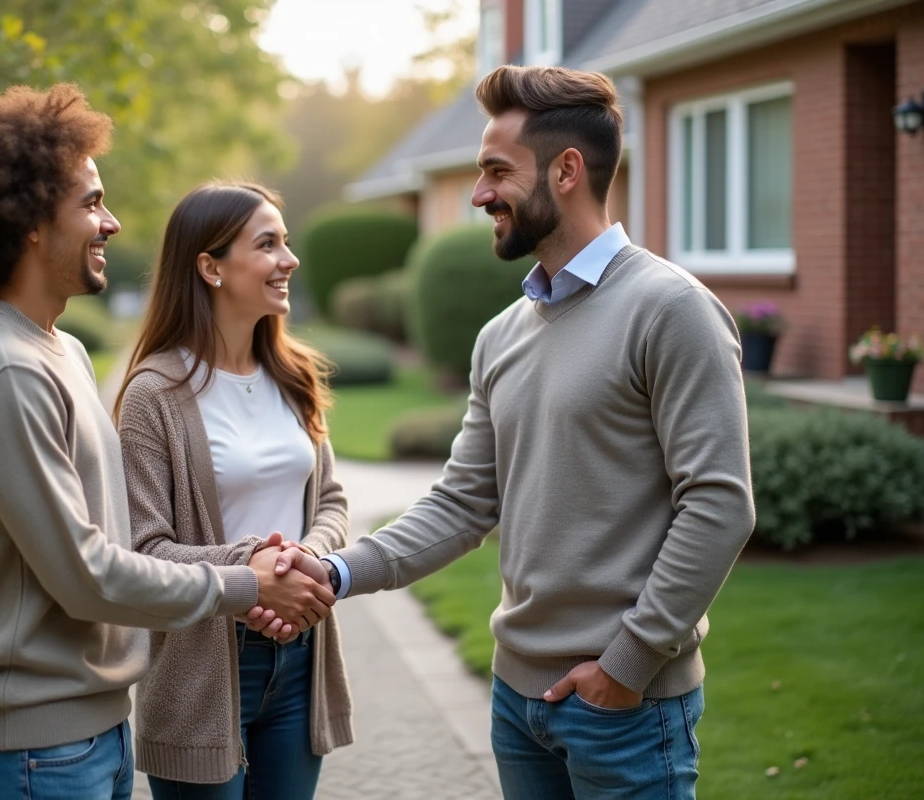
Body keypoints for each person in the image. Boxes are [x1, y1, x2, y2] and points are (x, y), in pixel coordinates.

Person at [280, 65, 755, 798]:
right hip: (517, 703)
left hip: (625, 709)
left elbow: (721, 505)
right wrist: (336, 573)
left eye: (496, 172)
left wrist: (626, 667)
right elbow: (463, 503)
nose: (478, 195)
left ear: (567, 171)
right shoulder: (501, 335)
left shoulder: (670, 309)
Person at [0, 85, 335, 800]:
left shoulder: (62, 353)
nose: (110, 222)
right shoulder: (2, 372)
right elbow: (89, 573)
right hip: (30, 749)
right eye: (90, 203)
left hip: (89, 733)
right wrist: (248, 581)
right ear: (29, 223)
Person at [113, 182, 353, 799]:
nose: (289, 259)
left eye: (287, 242)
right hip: (200, 666)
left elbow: (329, 500)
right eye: (268, 244)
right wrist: (252, 566)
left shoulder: (294, 374)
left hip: (301, 655)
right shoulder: (153, 396)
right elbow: (145, 551)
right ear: (210, 266)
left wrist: (307, 562)